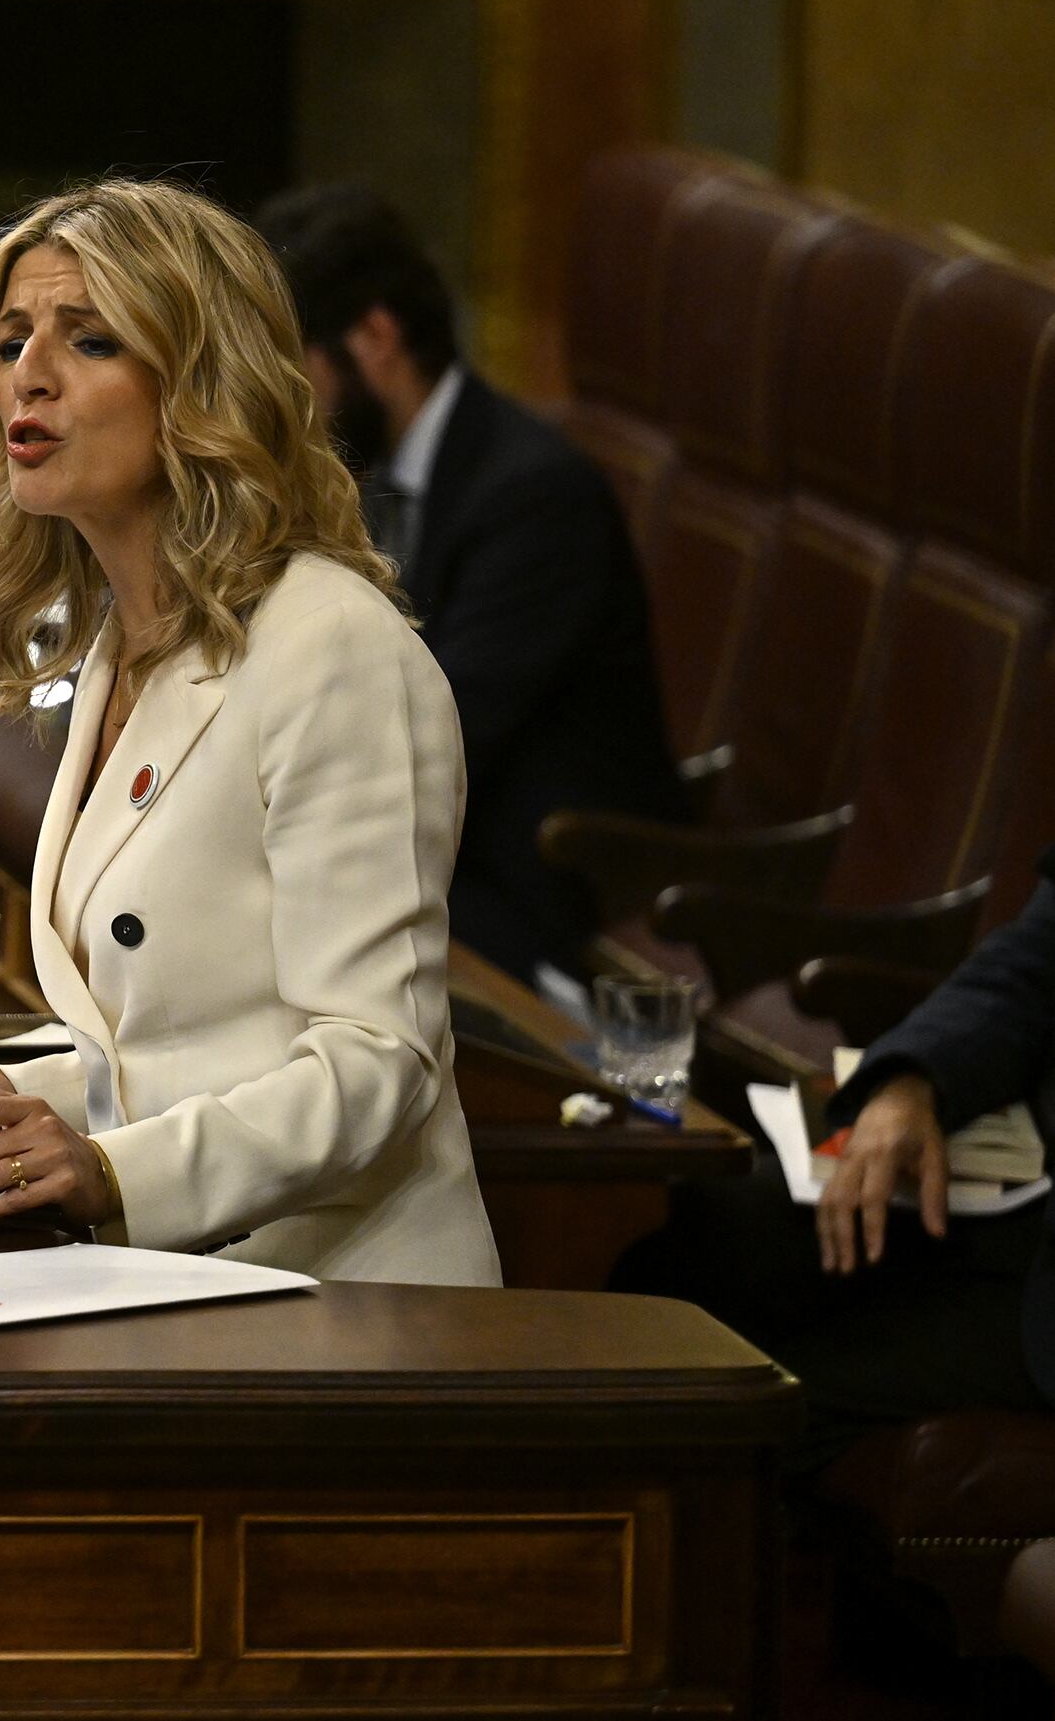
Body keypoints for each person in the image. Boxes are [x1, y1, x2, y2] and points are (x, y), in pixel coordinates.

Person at [0, 179, 500, 1284]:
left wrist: (114, 1175)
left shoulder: (332, 648)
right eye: (12, 339)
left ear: (200, 386)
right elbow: (176, 1047)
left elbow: (379, 1065)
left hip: (338, 1295)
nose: (28, 373)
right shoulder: (120, 648)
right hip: (184, 1275)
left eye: (89, 339)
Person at [253, 182, 690, 987]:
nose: (283, 405)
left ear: (374, 337)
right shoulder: (362, 473)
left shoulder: (531, 496)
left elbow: (434, 731)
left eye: (292, 367)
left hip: (532, 883)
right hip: (425, 849)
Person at [618, 852, 1054, 1474]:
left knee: (760, 1396)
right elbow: (1027, 970)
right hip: (1006, 1179)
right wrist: (909, 1083)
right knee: (693, 1229)